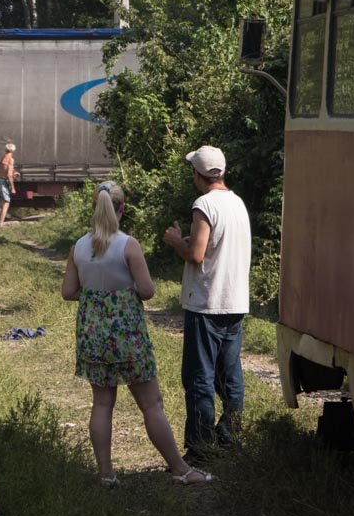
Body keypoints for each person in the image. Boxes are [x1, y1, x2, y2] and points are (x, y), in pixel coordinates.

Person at [62, 181, 213, 487]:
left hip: (93, 335)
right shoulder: (128, 245)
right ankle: (181, 469)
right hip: (127, 337)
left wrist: (95, 295)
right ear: (122, 209)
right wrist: (123, 291)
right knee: (151, 403)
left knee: (102, 404)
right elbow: (147, 290)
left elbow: (68, 291)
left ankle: (106, 474)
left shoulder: (78, 246)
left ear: (94, 207)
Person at [162, 146, 252, 461]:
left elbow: (197, 256)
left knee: (199, 377)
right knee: (229, 374)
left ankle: (200, 447)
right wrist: (189, 243)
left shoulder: (204, 205)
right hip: (235, 300)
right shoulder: (237, 203)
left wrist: (175, 240)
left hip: (207, 303)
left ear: (198, 175)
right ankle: (229, 435)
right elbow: (217, 248)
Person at [0, 143, 20, 228]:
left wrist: (14, 173)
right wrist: (13, 187)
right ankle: (0, 225)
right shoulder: (11, 159)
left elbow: (3, 170)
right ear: (13, 150)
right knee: (6, 203)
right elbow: (9, 175)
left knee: (1, 204)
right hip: (3, 182)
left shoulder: (3, 158)